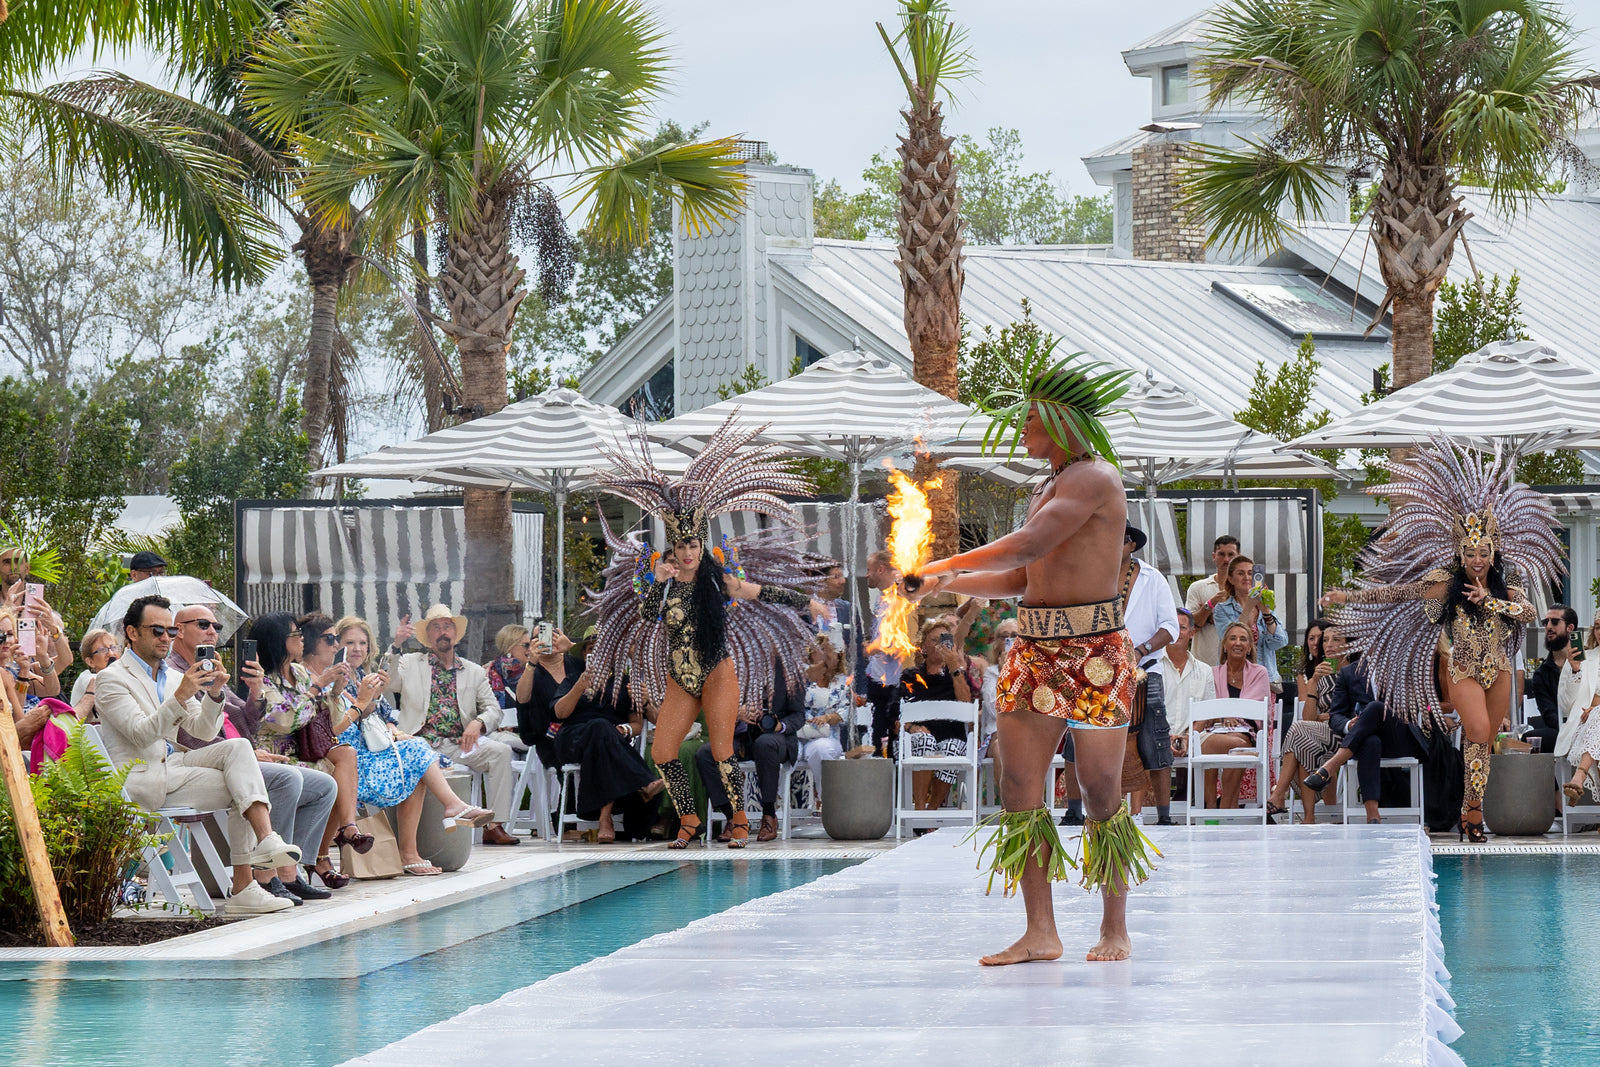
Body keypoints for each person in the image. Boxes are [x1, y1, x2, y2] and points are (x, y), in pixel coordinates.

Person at [906, 350, 1157, 966]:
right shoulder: (1046, 486)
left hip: (1095, 651)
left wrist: (943, 563)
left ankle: (1115, 927)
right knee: (1018, 785)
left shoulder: (1095, 478)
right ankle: (1040, 931)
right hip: (1033, 649)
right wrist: (944, 583)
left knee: (1100, 789)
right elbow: (1022, 575)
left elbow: (1029, 543)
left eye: (1030, 420)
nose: (1021, 431)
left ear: (1063, 422)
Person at [585, 417, 822, 849]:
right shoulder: (663, 581)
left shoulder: (719, 580)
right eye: (681, 546)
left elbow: (762, 592)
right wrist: (657, 582)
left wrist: (807, 603)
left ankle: (739, 821)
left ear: (700, 545)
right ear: (673, 548)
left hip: (717, 672)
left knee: (721, 749)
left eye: (693, 545)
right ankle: (689, 818)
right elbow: (648, 616)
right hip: (681, 678)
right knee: (662, 752)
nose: (688, 552)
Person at [1321, 437, 1563, 843]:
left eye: (1482, 552)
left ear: (1492, 550)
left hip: (1499, 668)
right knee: (1479, 731)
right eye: (1470, 553)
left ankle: (1471, 812)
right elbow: (1399, 593)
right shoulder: (1444, 582)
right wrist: (1347, 597)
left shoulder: (1508, 579)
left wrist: (1491, 601)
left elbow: (1526, 613)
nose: (1477, 560)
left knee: (1482, 745)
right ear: (1460, 553)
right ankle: (1472, 812)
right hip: (1464, 669)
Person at [95, 595, 302, 916]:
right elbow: (140, 734)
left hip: (176, 768)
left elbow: (203, 731)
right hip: (142, 779)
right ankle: (245, 885)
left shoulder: (173, 677)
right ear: (132, 632)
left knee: (239, 752)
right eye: (157, 630)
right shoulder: (111, 678)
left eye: (170, 631)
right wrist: (180, 696)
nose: (166, 638)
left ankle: (263, 848)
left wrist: (214, 693)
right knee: (241, 788)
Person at [170, 604, 338, 904]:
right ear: (179, 631)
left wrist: (255, 690)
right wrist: (246, 753)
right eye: (204, 625)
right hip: (211, 760)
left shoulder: (210, 669)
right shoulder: (174, 673)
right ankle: (268, 874)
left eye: (216, 627)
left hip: (244, 753)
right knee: (288, 780)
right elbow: (187, 734)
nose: (213, 632)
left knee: (325, 786)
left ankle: (290, 871)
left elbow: (246, 720)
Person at [329, 614, 493, 875]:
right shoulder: (334, 677)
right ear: (337, 645)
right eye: (350, 643)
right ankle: (447, 813)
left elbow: (382, 718)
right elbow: (340, 723)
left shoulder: (363, 675)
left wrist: (393, 729)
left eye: (362, 643)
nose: (357, 649)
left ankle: (412, 849)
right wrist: (366, 701)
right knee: (416, 755)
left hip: (374, 750)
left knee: (415, 754)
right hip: (349, 757)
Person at [252, 612, 376, 889]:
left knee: (344, 760)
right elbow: (285, 720)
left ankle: (339, 834)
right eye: (295, 635)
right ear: (279, 640)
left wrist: (335, 693)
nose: (301, 639)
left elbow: (327, 723)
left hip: (303, 753)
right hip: (275, 756)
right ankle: (304, 864)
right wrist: (318, 687)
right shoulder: (263, 679)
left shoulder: (298, 673)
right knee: (330, 780)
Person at [384, 604, 521, 845]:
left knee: (501, 752)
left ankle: (494, 826)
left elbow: (494, 709)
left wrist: (478, 723)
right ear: (428, 636)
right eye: (436, 627)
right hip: (420, 744)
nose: (443, 632)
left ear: (455, 634)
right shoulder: (410, 662)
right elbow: (388, 681)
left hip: (461, 744)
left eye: (447, 626)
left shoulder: (474, 671)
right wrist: (396, 645)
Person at [1297, 642, 1430, 824]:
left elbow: (1418, 704)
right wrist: (1349, 725)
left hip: (1399, 737)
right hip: (1363, 739)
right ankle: (1372, 815)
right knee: (1370, 741)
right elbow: (1336, 716)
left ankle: (1331, 765)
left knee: (1375, 708)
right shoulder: (1349, 673)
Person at [1118, 524, 1179, 825]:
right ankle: (1077, 812)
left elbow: (1170, 627)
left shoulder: (1153, 578)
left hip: (1146, 668)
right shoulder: (1093, 574)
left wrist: (1142, 650)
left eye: (1119, 539)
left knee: (1155, 739)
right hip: (1102, 672)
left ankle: (1164, 816)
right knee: (1085, 740)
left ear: (1132, 545)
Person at [1267, 622, 1346, 823]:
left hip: (1345, 733)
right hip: (1322, 733)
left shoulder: (1354, 672)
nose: (1328, 644)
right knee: (1303, 744)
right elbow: (1309, 718)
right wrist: (1313, 683)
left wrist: (1332, 716)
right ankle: (1309, 816)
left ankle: (1279, 793)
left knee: (1299, 731)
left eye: (1335, 640)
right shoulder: (1320, 676)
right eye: (1325, 640)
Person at [897, 617, 974, 819]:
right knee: (924, 740)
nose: (940, 645)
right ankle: (919, 810)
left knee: (952, 748)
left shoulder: (956, 675)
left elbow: (967, 706)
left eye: (944, 640)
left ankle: (931, 811)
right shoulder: (911, 676)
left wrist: (954, 667)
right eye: (934, 640)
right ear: (923, 646)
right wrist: (912, 727)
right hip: (919, 735)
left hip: (950, 735)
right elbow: (898, 712)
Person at [1196, 622, 1272, 809]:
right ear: (1224, 645)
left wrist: (1228, 713)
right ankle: (1216, 807)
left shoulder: (1259, 673)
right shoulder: (1212, 673)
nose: (1238, 643)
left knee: (1237, 744)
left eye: (1243, 639)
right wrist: (1221, 717)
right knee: (1232, 747)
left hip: (1245, 732)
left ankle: (1221, 809)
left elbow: (1258, 709)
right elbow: (1204, 707)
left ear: (1249, 647)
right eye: (1233, 638)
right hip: (1215, 730)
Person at [1211, 555, 1288, 684]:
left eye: (1250, 573)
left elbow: (1280, 642)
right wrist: (1248, 607)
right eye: (1241, 573)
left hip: (1265, 679)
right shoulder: (1222, 609)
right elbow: (1228, 639)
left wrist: (1266, 613)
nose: (1246, 577)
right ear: (1231, 579)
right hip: (1234, 679)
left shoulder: (1264, 606)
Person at [798, 635, 852, 810]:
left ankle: (825, 799)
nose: (827, 655)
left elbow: (844, 714)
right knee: (779, 750)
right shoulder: (800, 677)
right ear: (812, 653)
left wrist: (827, 718)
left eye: (832, 652)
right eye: (823, 650)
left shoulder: (841, 684)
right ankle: (776, 804)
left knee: (821, 749)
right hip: (797, 735)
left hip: (826, 736)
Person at [1556, 609, 1600, 804]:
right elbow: (1566, 705)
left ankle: (1579, 777)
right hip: (1582, 728)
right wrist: (1575, 670)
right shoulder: (1582, 659)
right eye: (1597, 627)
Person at [863, 549, 903, 755]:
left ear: (881, 569)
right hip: (877, 678)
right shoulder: (881, 599)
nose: (866, 575)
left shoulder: (901, 598)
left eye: (869, 570)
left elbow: (899, 641)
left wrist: (869, 648)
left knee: (892, 743)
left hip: (895, 682)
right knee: (877, 740)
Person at [1184, 535, 1240, 670]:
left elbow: (1248, 625)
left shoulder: (1244, 590)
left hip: (1237, 666)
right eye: (1221, 554)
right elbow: (1190, 627)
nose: (1226, 560)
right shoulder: (1197, 587)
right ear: (1214, 556)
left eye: (1231, 555)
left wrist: (1207, 617)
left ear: (1238, 557)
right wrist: (1209, 604)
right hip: (1203, 665)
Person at [1527, 605, 1578, 753]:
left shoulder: (1588, 661)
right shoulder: (1541, 674)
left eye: (1555, 622)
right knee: (1531, 738)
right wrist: (1570, 731)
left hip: (1590, 724)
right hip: (1561, 729)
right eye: (1546, 622)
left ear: (1570, 628)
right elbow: (1549, 714)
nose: (1548, 627)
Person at [486, 624, 530, 709]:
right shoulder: (490, 673)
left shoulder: (532, 671)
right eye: (526, 645)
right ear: (510, 646)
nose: (530, 649)